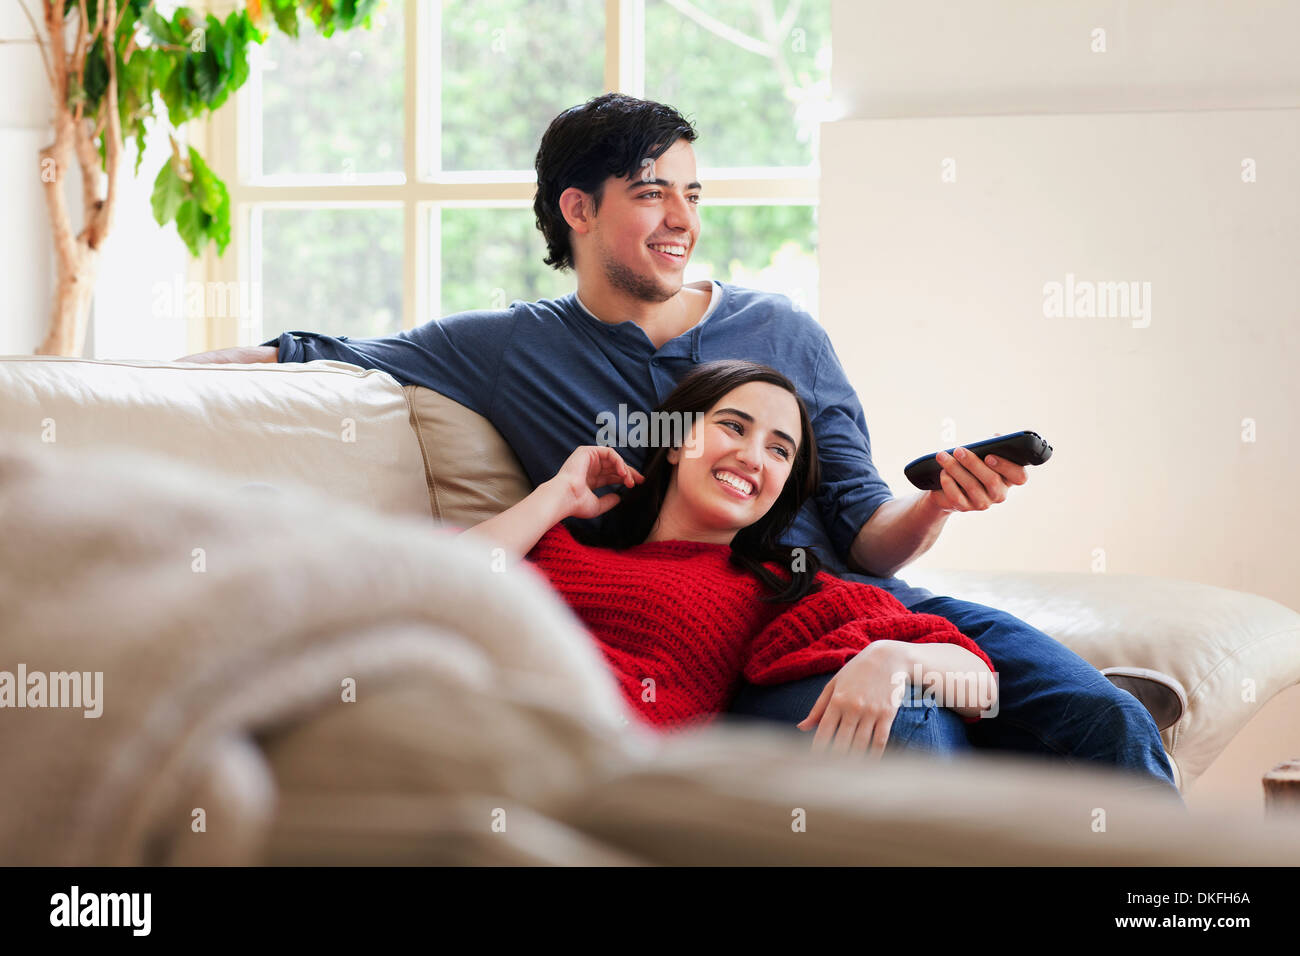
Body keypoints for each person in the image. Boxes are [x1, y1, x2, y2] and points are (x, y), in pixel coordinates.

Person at [179, 92, 1180, 800]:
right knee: (911, 737)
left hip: (864, 597)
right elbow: (317, 347)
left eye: (694, 194)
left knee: (1106, 723)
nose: (682, 221)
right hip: (730, 629)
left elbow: (865, 533)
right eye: (654, 193)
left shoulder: (785, 333)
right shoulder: (504, 349)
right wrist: (123, 374)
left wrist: (936, 504)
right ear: (578, 208)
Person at [462, 359, 997, 756]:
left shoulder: (774, 583)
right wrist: (555, 495)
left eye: (779, 449)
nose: (751, 456)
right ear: (675, 442)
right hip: (471, 715)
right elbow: (435, 581)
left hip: (591, 759)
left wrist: (893, 657)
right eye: (734, 427)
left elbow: (979, 683)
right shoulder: (556, 545)